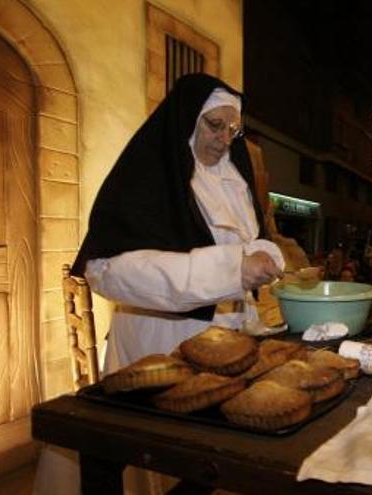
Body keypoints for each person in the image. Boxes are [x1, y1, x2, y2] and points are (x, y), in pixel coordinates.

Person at [35, 73, 284, 495]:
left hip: (229, 351)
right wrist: (229, 271)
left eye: (233, 129)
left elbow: (258, 241)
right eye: (214, 125)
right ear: (187, 121)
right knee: (158, 472)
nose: (225, 139)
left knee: (211, 473)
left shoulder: (234, 180)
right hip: (158, 350)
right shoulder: (147, 178)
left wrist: (269, 260)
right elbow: (107, 271)